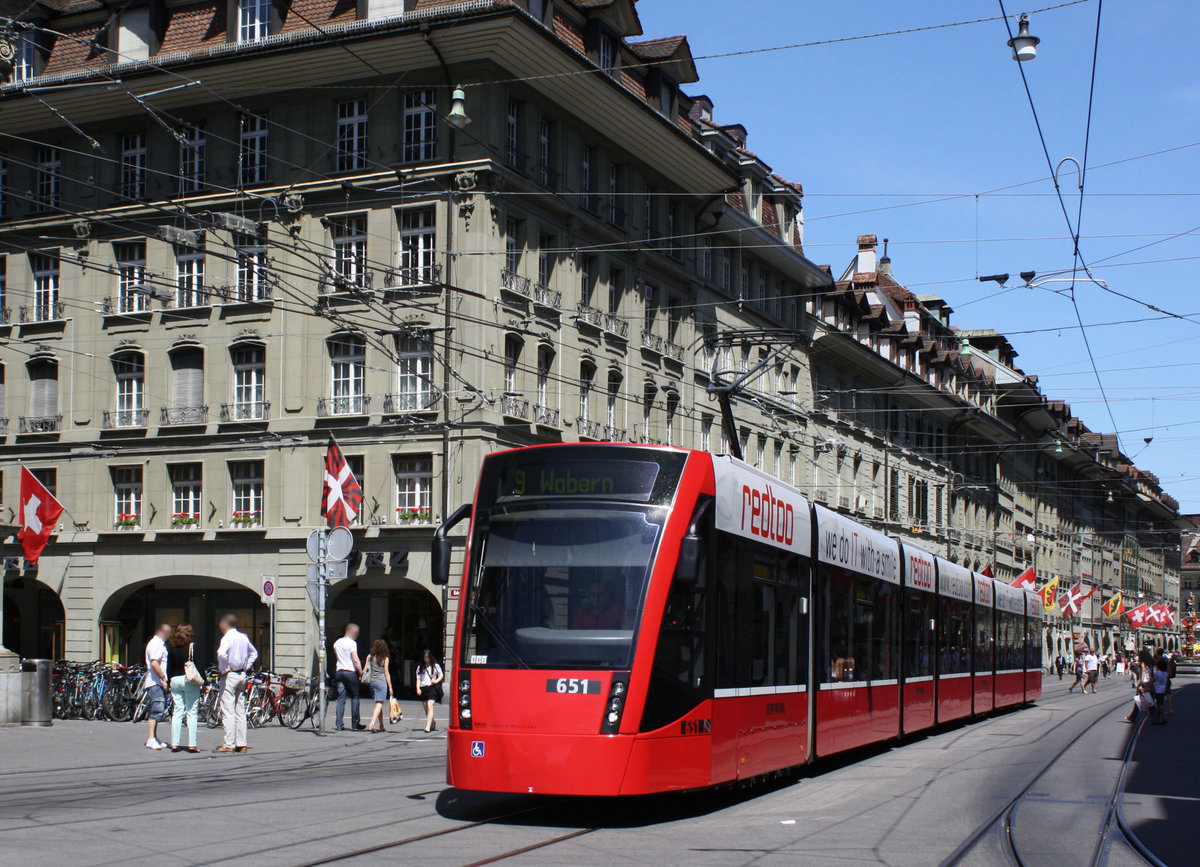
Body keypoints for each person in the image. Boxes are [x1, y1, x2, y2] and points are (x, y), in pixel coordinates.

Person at [215, 613, 258, 753]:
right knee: (240, 710)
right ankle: (242, 743)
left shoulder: (227, 637)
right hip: (242, 674)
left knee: (228, 711)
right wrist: (247, 665)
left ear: (225, 624)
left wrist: (225, 667)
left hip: (230, 675)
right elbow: (254, 653)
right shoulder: (243, 637)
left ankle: (229, 744)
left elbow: (221, 653)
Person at [167, 624, 202, 753]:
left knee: (177, 711)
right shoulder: (191, 647)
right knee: (192, 711)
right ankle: (192, 744)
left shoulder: (173, 647)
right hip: (189, 679)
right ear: (189, 634)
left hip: (175, 679)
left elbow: (169, 667)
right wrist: (205, 682)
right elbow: (199, 664)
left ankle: (175, 743)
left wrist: (168, 680)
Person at [143, 623, 172, 750]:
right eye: (167, 632)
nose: (169, 635)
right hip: (155, 681)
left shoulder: (158, 643)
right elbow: (154, 662)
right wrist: (163, 678)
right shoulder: (156, 644)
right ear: (161, 631)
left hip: (156, 681)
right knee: (156, 709)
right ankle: (150, 738)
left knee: (157, 708)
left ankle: (154, 737)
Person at [333, 623, 366, 731]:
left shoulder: (337, 643)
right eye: (357, 633)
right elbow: (355, 660)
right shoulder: (352, 643)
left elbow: (338, 658)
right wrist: (361, 672)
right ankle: (355, 723)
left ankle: (339, 724)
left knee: (341, 698)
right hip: (349, 672)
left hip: (339, 671)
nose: (357, 635)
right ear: (352, 632)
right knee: (355, 697)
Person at [365, 639, 395, 733]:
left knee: (378, 704)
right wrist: (390, 686)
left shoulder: (370, 657)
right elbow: (387, 673)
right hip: (382, 683)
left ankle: (381, 725)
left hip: (373, 682)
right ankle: (372, 724)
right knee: (379, 704)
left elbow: (365, 669)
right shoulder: (385, 659)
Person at [415, 649, 444, 733]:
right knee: (426, 707)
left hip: (432, 687)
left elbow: (441, 675)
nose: (426, 659)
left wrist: (437, 680)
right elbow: (418, 679)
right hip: (424, 688)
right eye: (425, 658)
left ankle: (427, 726)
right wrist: (418, 688)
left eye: (427, 657)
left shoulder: (435, 666)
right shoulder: (420, 667)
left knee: (429, 705)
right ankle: (432, 722)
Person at [1126, 648, 1155, 722]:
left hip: (1144, 683)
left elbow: (1143, 672)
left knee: (1140, 700)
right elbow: (1151, 673)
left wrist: (1140, 683)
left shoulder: (1143, 663)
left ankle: (1133, 717)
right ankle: (1154, 718)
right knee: (1149, 701)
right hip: (1150, 683)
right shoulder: (1151, 663)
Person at [1150, 657, 1169, 725]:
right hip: (1163, 689)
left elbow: (1153, 680)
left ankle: (1164, 717)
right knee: (1160, 703)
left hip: (1157, 689)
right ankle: (1157, 717)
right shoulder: (1165, 673)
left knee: (1159, 704)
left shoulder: (1157, 673)